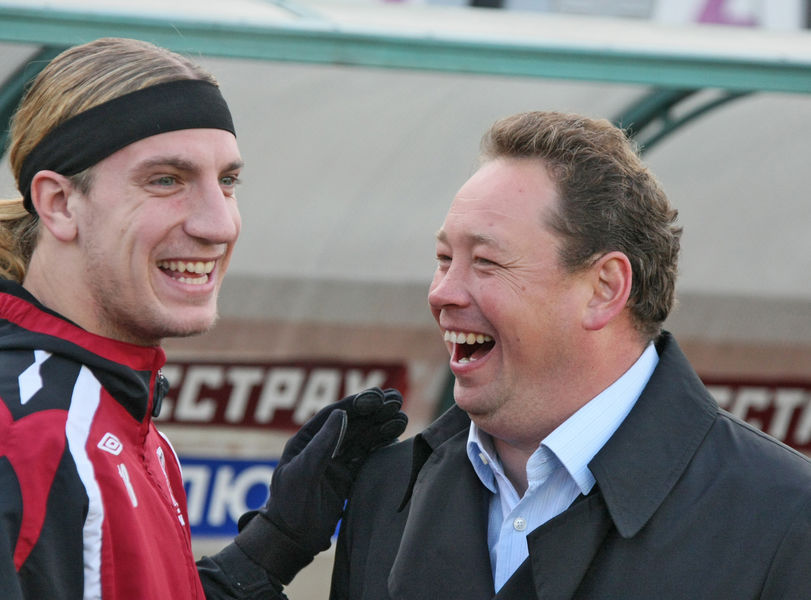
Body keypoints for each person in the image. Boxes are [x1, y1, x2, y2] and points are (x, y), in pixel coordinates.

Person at [329, 111, 811, 599]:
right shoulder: (386, 491)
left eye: (486, 262)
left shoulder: (784, 517)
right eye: (444, 259)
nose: (442, 293)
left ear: (605, 289)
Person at [0, 38, 406, 599]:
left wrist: (273, 545)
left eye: (228, 181)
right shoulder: (24, 434)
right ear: (59, 204)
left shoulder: (119, 414)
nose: (219, 224)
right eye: (166, 179)